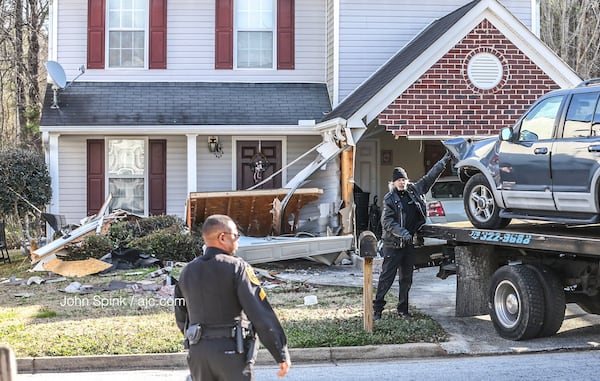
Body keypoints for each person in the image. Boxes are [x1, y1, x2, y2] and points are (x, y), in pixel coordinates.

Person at [174, 214, 291, 380]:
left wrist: (196, 340)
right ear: (222, 237)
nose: (237, 241)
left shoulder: (187, 271)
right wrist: (280, 352)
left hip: (198, 354)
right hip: (230, 351)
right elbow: (259, 312)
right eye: (235, 236)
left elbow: (181, 314)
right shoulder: (237, 267)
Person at [373, 151, 453, 320]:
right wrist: (403, 233)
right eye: (398, 180)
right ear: (393, 183)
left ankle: (403, 310)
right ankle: (377, 310)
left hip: (409, 245)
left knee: (406, 279)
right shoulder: (389, 199)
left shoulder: (414, 190)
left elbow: (430, 177)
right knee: (386, 278)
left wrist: (443, 161)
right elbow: (387, 222)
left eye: (403, 179)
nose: (401, 183)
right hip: (393, 245)